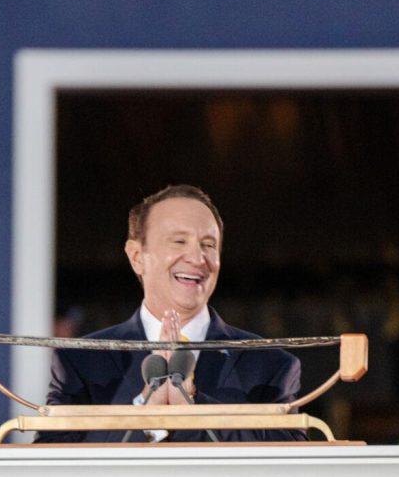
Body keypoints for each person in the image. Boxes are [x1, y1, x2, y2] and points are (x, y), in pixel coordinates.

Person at [36, 184, 303, 443]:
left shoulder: (270, 366)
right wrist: (143, 414)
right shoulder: (81, 362)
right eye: (179, 241)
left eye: (209, 245)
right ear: (137, 256)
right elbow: (50, 467)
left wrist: (193, 407)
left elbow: (289, 469)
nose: (198, 258)